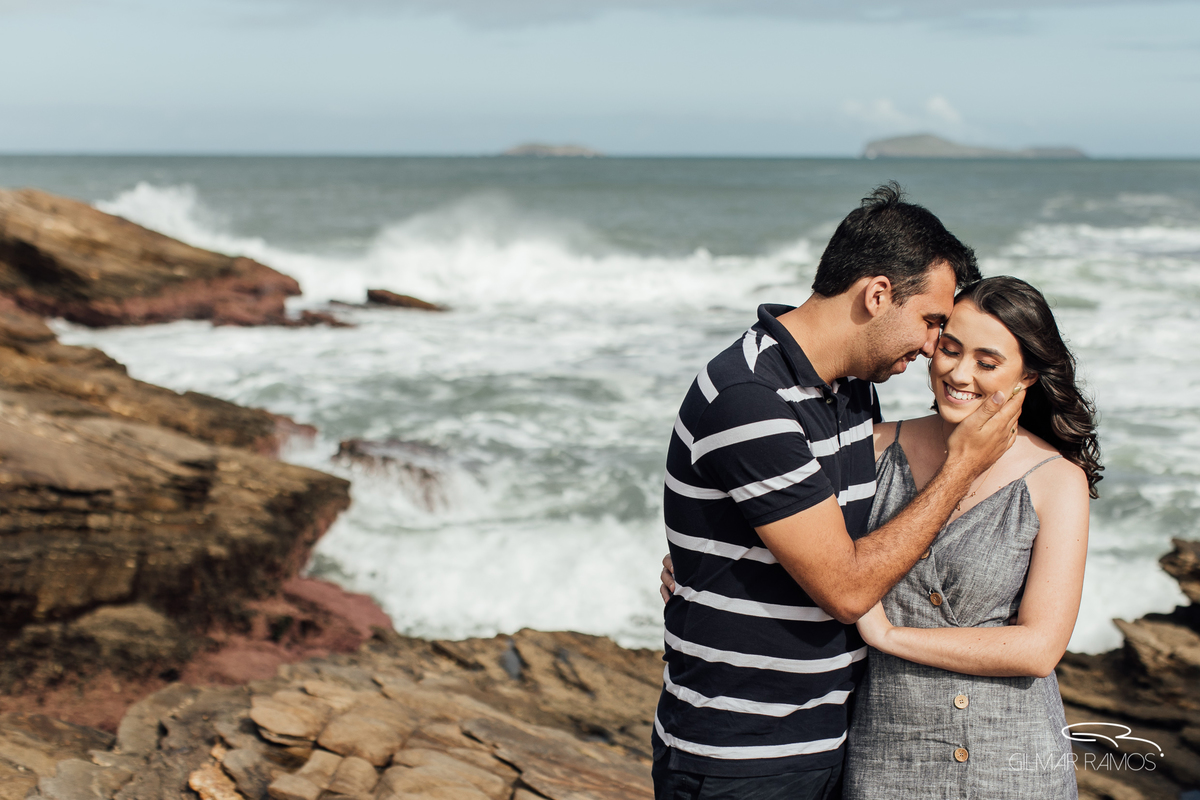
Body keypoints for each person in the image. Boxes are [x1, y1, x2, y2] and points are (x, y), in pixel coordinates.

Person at [652, 183, 1025, 800]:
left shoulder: (848, 391)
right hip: (742, 754)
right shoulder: (750, 399)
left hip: (828, 739)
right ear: (878, 294)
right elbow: (847, 587)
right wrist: (962, 468)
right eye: (932, 321)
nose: (935, 345)